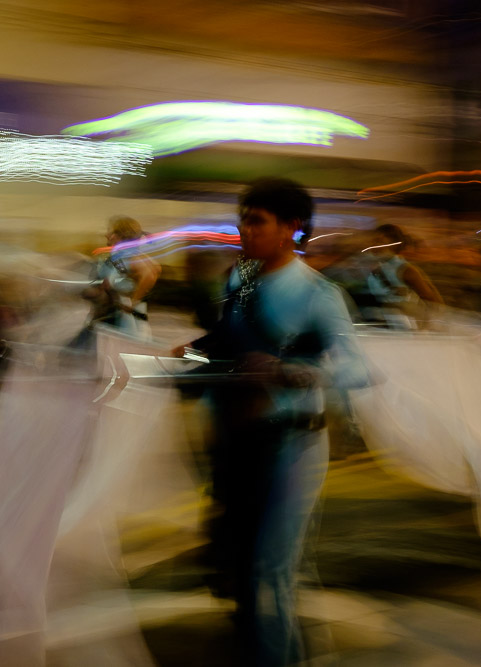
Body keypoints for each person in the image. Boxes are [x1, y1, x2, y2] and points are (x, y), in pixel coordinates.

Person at [174, 178, 369, 666]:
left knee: (272, 570)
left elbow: (356, 367)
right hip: (234, 439)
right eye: (243, 218)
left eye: (255, 220)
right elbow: (225, 341)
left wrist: (292, 372)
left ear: (290, 229)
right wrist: (190, 355)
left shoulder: (319, 293)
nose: (244, 228)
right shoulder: (239, 276)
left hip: (291, 444)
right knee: (239, 563)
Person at [79, 215, 160, 341]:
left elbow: (150, 274)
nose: (106, 235)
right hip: (111, 321)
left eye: (109, 231)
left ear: (118, 235)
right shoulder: (122, 256)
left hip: (123, 325)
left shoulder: (127, 256)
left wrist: (133, 302)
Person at [360, 223, 443, 327]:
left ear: (392, 244)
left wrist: (426, 327)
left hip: (405, 330)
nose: (373, 244)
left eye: (379, 240)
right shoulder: (377, 265)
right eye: (373, 240)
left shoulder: (406, 270)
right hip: (384, 326)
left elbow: (434, 302)